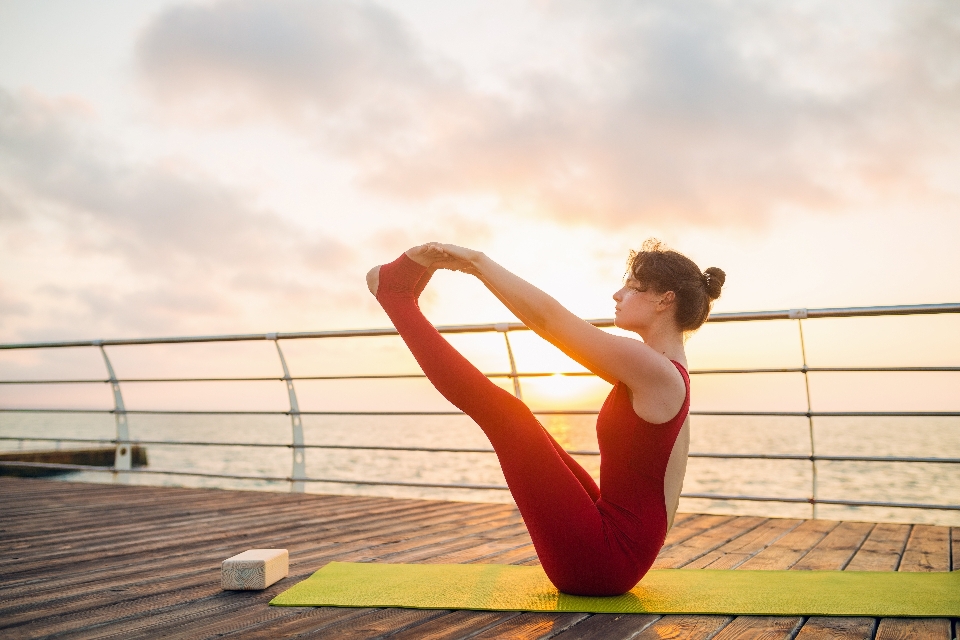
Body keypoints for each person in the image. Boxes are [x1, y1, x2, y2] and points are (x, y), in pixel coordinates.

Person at [366, 240, 725, 596]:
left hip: (603, 563)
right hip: (617, 553)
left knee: (508, 417)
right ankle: (397, 292)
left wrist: (478, 263)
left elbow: (548, 319)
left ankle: (395, 296)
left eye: (632, 287)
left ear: (666, 300)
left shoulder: (655, 371)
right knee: (530, 428)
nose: (617, 295)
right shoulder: (665, 372)